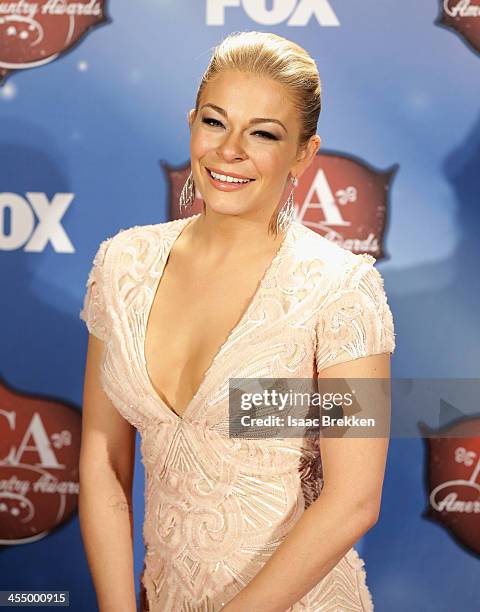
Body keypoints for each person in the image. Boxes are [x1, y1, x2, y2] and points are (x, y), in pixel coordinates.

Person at [78, 31, 395, 612]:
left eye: (264, 133)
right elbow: (104, 462)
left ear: (304, 152)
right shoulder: (122, 264)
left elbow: (354, 499)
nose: (230, 150)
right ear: (191, 123)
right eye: (216, 122)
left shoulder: (341, 288)